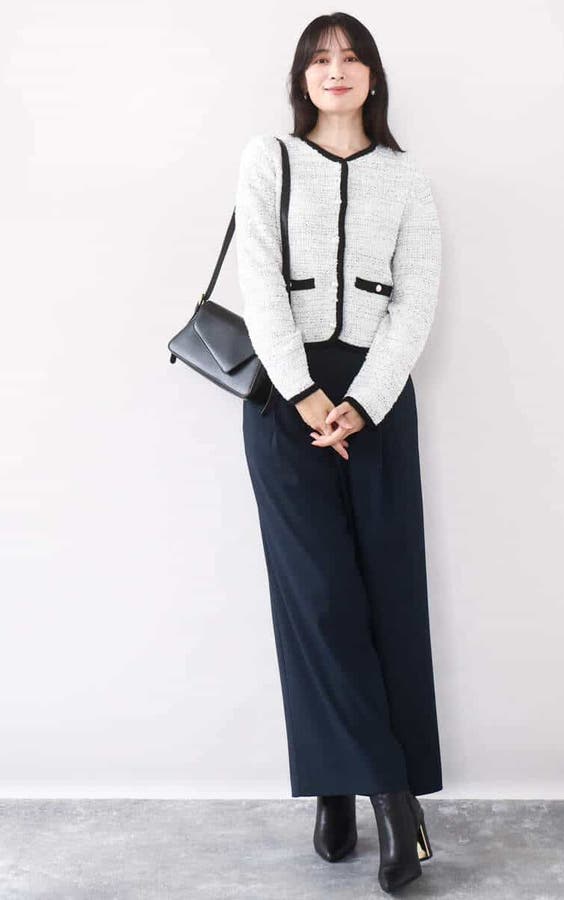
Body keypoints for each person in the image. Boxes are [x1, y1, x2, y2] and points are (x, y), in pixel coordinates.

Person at [235, 13, 443, 893]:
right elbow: (257, 280)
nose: (336, 71)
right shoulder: (269, 159)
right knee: (318, 602)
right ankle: (387, 796)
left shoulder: (407, 177)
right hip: (285, 402)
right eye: (320, 59)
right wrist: (305, 394)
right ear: (301, 77)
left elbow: (416, 300)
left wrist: (362, 402)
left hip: (378, 402)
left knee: (386, 597)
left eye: (352, 58)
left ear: (374, 76)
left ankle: (341, 783)